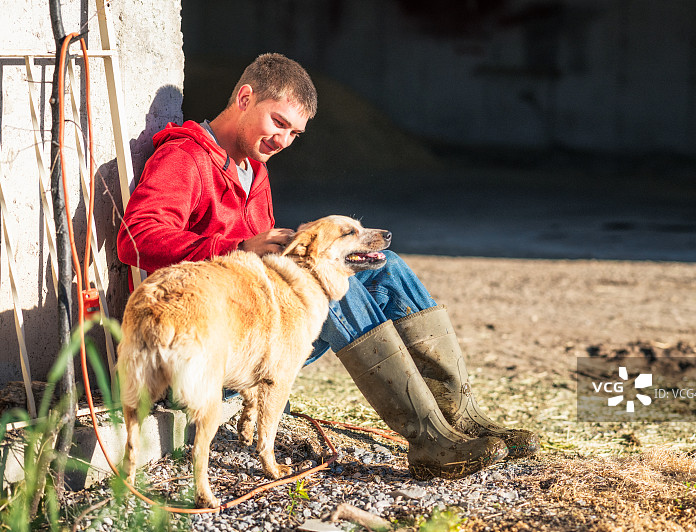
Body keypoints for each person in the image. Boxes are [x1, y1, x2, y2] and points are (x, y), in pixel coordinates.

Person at [117, 53, 537, 481]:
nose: (283, 140)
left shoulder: (253, 169)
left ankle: (460, 416)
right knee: (328, 284)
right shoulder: (185, 157)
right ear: (244, 98)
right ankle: (428, 439)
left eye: (294, 133)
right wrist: (240, 244)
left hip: (257, 341)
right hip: (207, 350)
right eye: (278, 122)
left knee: (382, 265)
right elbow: (136, 238)